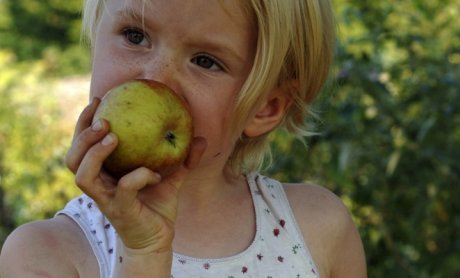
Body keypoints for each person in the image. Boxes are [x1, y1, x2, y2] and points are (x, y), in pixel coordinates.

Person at [0, 0, 367, 277]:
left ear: (265, 108)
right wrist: (143, 254)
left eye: (206, 61)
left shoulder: (317, 229)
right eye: (135, 36)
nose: (156, 78)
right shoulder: (47, 256)